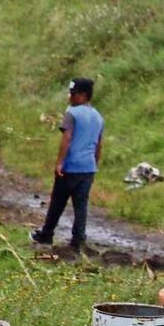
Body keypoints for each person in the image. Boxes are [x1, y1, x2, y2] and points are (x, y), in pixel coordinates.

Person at [30, 78, 105, 251]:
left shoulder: (72, 113)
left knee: (57, 202)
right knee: (81, 205)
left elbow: (67, 138)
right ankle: (78, 239)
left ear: (83, 95)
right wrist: (95, 163)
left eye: (73, 93)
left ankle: (46, 234)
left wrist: (59, 163)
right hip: (88, 168)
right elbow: (99, 144)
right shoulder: (98, 117)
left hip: (71, 166)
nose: (70, 97)